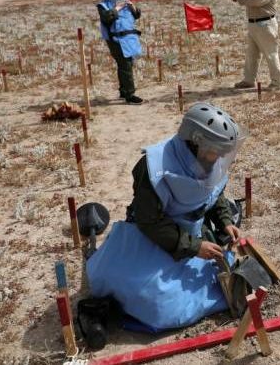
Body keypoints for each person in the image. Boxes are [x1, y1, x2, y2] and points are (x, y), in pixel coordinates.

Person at [86, 102, 248, 331]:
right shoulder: (155, 168)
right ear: (196, 141)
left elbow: (212, 194)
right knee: (157, 305)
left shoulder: (209, 158)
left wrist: (225, 221)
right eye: (217, 150)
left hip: (191, 237)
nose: (221, 156)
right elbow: (149, 221)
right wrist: (194, 247)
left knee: (219, 275)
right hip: (152, 237)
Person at [224, 0, 280, 90]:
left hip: (265, 24)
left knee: (270, 54)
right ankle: (249, 80)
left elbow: (254, 0)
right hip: (254, 24)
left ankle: (276, 83)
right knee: (252, 54)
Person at [97, 0, 144, 104]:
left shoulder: (125, 3)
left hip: (129, 39)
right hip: (116, 40)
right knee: (125, 65)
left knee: (125, 66)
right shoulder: (103, 6)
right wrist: (117, 9)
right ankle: (130, 95)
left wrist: (132, 6)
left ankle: (124, 91)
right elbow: (106, 18)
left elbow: (136, 15)